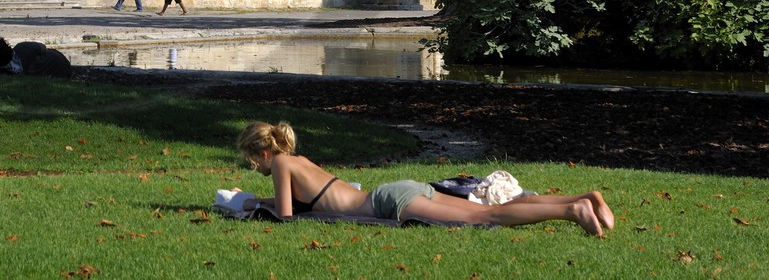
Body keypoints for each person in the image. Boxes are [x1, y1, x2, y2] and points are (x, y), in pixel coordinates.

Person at [234, 121, 615, 236]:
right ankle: (581, 198)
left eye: (254, 161)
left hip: (389, 203)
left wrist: (249, 205)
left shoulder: (282, 165)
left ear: (263, 153)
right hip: (397, 191)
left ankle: (573, 212)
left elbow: (287, 216)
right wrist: (258, 201)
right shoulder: (299, 160)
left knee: (486, 217)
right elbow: (305, 202)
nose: (256, 168)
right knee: (487, 208)